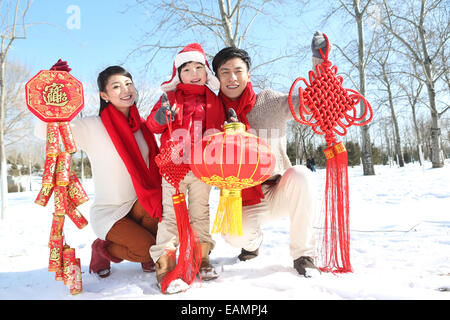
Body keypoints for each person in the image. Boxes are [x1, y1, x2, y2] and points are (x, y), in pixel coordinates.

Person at [210, 31, 329, 276]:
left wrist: (320, 62)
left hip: (278, 188)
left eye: (238, 71)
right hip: (240, 195)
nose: (232, 78)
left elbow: (312, 102)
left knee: (302, 175)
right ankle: (252, 245)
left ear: (248, 74)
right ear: (217, 77)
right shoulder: (212, 112)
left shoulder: (269, 101)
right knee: (232, 236)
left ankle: (303, 255)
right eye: (225, 72)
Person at [35, 64, 163, 278]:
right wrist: (53, 88)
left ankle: (144, 246)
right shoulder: (93, 126)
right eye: (116, 86)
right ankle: (102, 248)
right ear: (104, 95)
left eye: (128, 84)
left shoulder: (143, 127)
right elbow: (46, 133)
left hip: (140, 203)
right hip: (110, 212)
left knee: (159, 208)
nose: (125, 90)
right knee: (147, 249)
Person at [147, 43, 226, 291]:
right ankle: (166, 263)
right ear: (178, 73)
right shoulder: (168, 98)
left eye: (198, 68)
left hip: (203, 167)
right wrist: (160, 117)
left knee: (200, 213)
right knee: (170, 215)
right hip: (173, 167)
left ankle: (201, 257)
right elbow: (153, 125)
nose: (193, 73)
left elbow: (221, 131)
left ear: (205, 71)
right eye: (187, 69)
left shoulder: (214, 99)